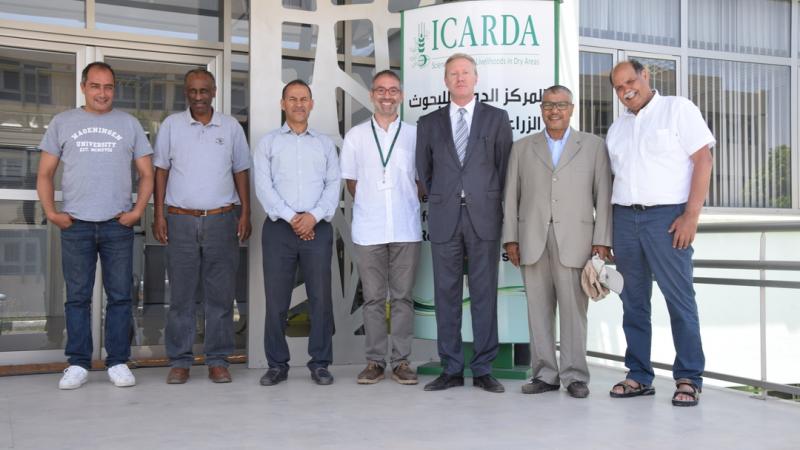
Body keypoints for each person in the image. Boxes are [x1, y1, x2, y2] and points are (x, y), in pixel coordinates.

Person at [36, 61, 154, 389]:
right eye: (96, 86)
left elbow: (147, 174)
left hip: (118, 224)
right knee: (77, 297)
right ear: (83, 87)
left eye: (109, 87)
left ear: (114, 89)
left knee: (119, 297)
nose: (103, 93)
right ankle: (78, 363)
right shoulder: (63, 123)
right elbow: (44, 174)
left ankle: (117, 360)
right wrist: (52, 212)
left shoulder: (129, 124)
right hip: (76, 225)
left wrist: (137, 211)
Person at [606, 60, 714, 407]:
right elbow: (613, 181)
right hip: (624, 218)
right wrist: (606, 234)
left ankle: (688, 377)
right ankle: (638, 375)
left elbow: (703, 159)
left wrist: (691, 215)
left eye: (630, 82)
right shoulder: (617, 129)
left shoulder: (677, 109)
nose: (626, 91)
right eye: (619, 88)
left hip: (668, 218)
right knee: (632, 302)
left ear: (645, 76)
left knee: (679, 298)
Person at [502, 85, 612, 398]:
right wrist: (510, 238)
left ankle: (576, 376)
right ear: (541, 108)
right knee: (537, 311)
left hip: (576, 241)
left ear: (572, 108)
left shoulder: (592, 146)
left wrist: (602, 241)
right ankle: (545, 375)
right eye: (549, 105)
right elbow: (511, 196)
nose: (554, 110)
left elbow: (603, 196)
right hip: (532, 239)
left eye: (561, 105)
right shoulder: (522, 148)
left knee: (575, 312)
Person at [416, 53, 513, 393]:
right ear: (445, 81)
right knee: (446, 295)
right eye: (453, 73)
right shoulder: (428, 123)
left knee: (485, 293)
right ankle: (452, 368)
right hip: (445, 218)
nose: (460, 78)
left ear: (476, 78)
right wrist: (446, 195)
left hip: (483, 218)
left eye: (465, 73)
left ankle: (483, 368)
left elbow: (504, 170)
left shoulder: (496, 119)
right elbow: (424, 172)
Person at [152, 68, 251, 384]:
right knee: (181, 296)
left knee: (220, 296)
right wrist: (159, 214)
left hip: (222, 219)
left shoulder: (231, 127)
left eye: (203, 91)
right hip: (180, 220)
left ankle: (217, 360)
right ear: (186, 93)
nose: (198, 97)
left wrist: (245, 213)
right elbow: (161, 172)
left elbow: (241, 172)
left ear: (214, 91)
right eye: (192, 91)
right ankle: (180, 361)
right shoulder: (171, 126)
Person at [253, 80, 341, 386]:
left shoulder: (325, 144)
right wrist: (294, 218)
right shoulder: (268, 143)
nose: (298, 104)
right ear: (282, 104)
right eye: (292, 99)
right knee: (276, 301)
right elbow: (264, 188)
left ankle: (320, 362)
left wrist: (312, 217)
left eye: (304, 99)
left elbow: (334, 185)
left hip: (318, 227)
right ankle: (277, 364)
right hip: (279, 229)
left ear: (312, 104)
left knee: (320, 299)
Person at [340, 70, 421, 385]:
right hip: (369, 229)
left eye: (393, 90)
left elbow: (421, 180)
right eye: (381, 90)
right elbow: (351, 182)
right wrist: (373, 202)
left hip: (406, 228)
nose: (387, 96)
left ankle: (401, 362)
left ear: (400, 95)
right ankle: (374, 361)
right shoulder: (356, 136)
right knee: (373, 299)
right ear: (372, 95)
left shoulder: (414, 135)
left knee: (402, 298)